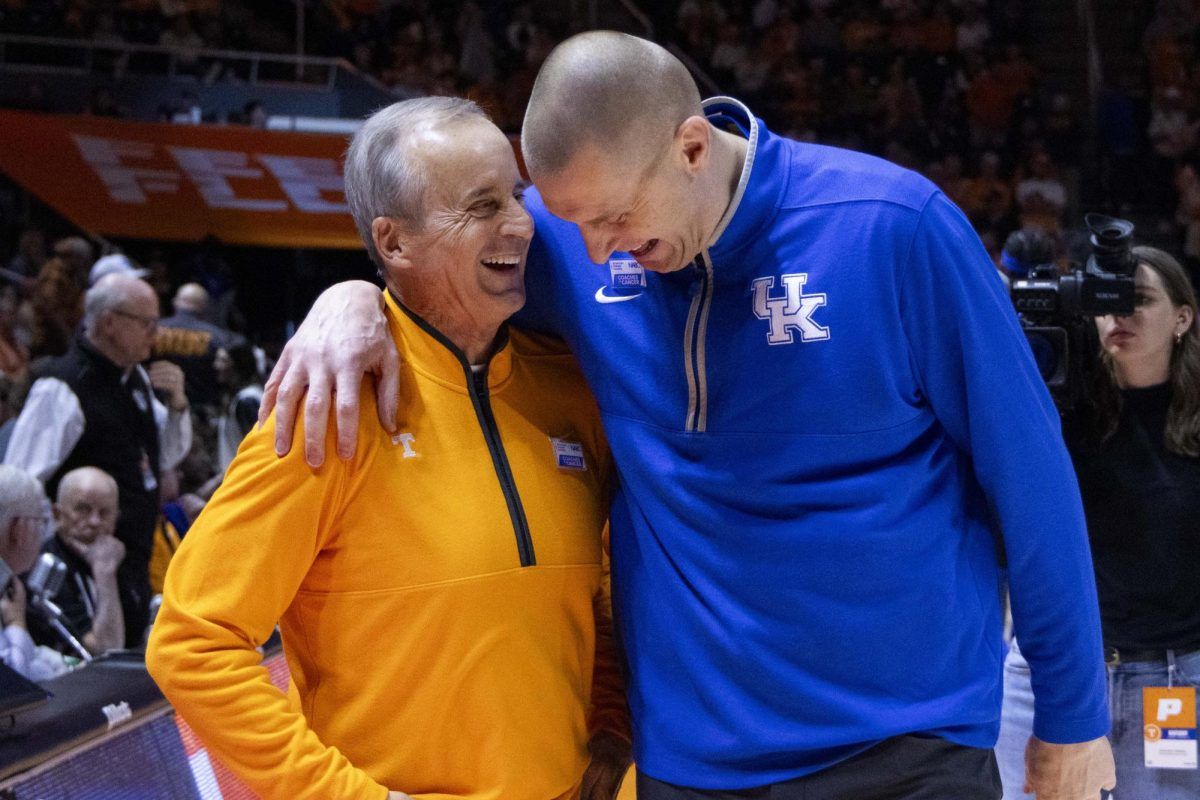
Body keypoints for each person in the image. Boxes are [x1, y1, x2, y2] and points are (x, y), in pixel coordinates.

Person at [264, 31, 1114, 800]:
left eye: (614, 217)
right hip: (691, 767)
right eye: (570, 222)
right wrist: (349, 299)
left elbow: (1032, 479)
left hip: (905, 749)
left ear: (694, 147)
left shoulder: (893, 228)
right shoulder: (580, 251)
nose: (594, 251)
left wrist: (1073, 716)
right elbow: (438, 281)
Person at [147, 97, 630, 800]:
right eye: (482, 204)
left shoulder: (567, 389)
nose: (522, 224)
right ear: (394, 242)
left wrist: (609, 731)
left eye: (518, 194)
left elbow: (592, 603)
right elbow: (191, 643)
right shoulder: (331, 401)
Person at [997, 246, 1200, 799]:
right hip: (1047, 675)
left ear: (1182, 318)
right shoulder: (1060, 405)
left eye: (1138, 300)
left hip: (1172, 682)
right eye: (1107, 303)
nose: (1120, 315)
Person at [4, 274, 191, 648]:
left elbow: (166, 455)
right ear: (109, 322)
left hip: (132, 561)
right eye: (146, 323)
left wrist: (178, 407)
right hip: (81, 574)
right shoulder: (63, 384)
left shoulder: (135, 378)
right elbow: (19, 486)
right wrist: (30, 564)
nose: (156, 333)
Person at [28, 467, 126, 657]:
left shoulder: (118, 557)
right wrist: (105, 574)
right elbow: (105, 649)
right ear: (57, 514)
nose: (95, 521)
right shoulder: (45, 568)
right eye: (83, 509)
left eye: (105, 512)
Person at [0, 465, 64, 681]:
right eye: (41, 522)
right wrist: (17, 625)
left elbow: (30, 662)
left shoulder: (8, 584)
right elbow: (11, 686)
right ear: (19, 529)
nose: (44, 535)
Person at [155, 282, 244, 412]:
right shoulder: (218, 337)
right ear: (204, 307)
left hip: (160, 407)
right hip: (203, 411)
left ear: (175, 302)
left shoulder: (153, 331)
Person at [212, 342, 262, 473]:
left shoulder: (247, 401)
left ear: (238, 364)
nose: (216, 366)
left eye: (223, 360)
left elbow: (256, 449)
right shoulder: (240, 399)